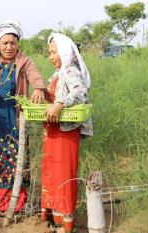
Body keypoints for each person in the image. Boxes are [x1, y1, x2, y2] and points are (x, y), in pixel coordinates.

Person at [0, 20, 46, 216]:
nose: (9, 47)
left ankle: (16, 202)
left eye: (13, 43)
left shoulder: (24, 61)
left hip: (15, 120)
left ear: (18, 44)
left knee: (15, 160)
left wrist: (38, 87)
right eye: (5, 43)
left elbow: (35, 76)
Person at [41, 33, 93, 233]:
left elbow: (80, 92)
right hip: (54, 130)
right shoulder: (57, 73)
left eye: (54, 52)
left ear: (65, 52)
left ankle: (67, 223)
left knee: (65, 174)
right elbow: (54, 96)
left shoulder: (70, 71)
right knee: (53, 173)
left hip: (66, 132)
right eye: (49, 53)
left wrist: (60, 104)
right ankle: (58, 218)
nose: (51, 56)